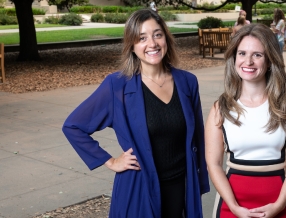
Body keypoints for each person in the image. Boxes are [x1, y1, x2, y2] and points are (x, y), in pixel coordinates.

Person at [62, 9, 209, 218]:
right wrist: (111, 161)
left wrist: (200, 179)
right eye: (142, 38)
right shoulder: (117, 86)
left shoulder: (187, 82)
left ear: (166, 38)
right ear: (132, 45)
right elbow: (73, 126)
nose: (152, 43)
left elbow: (198, 136)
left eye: (157, 34)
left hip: (180, 186)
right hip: (139, 188)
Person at [205, 23, 286, 218]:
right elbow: (214, 164)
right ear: (234, 58)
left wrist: (278, 205)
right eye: (242, 53)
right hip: (233, 206)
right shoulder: (221, 107)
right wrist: (235, 208)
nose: (248, 61)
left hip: (280, 203)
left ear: (269, 61)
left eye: (257, 55)